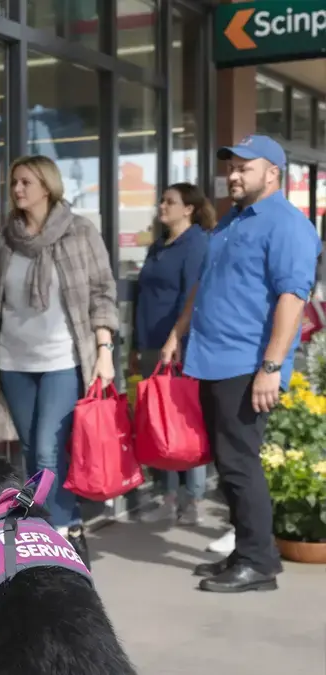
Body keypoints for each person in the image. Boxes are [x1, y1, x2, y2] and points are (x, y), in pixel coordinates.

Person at [161, 134, 321, 593]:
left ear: (272, 172)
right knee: (228, 463)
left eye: (244, 167)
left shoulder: (287, 225)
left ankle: (259, 564)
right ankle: (251, 552)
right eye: (231, 166)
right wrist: (178, 332)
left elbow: (293, 298)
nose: (233, 174)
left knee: (239, 463)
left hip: (246, 364)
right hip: (212, 358)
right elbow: (205, 284)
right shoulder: (232, 221)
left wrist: (271, 367)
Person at [0, 154, 118, 565]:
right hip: (13, 361)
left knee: (47, 449)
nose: (17, 190)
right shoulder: (4, 240)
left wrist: (104, 350)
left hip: (63, 358)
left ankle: (54, 531)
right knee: (30, 450)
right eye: (14, 183)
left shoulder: (79, 233)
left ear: (47, 186)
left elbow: (102, 292)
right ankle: (66, 526)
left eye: (25, 182)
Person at [132, 183, 213, 526]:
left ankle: (191, 499)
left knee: (185, 422)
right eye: (162, 200)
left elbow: (191, 299)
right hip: (151, 345)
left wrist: (175, 340)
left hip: (179, 346)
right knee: (157, 423)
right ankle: (167, 497)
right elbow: (142, 300)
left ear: (189, 209)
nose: (162, 206)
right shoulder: (156, 248)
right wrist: (136, 346)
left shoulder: (196, 244)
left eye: (170, 201)